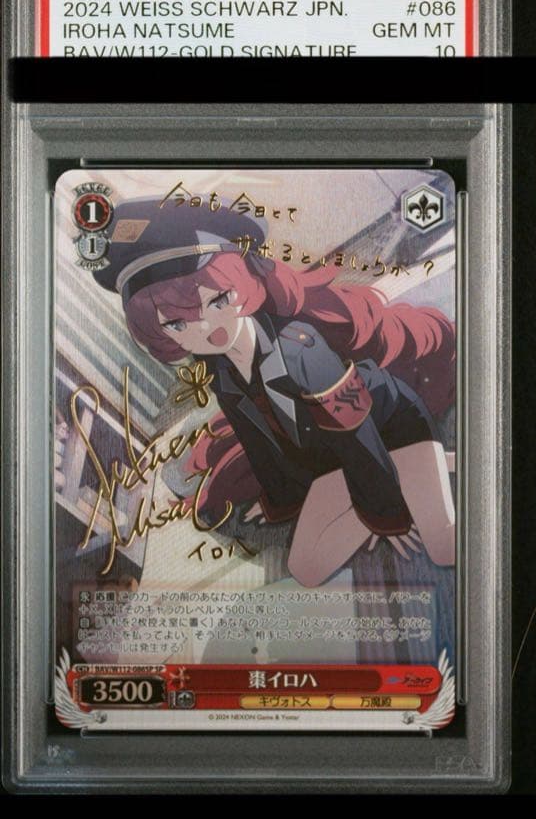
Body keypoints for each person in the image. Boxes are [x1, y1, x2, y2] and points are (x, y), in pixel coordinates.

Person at [93, 196, 456, 586]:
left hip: (390, 430)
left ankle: (425, 465)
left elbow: (357, 434)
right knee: (307, 570)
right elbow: (257, 441)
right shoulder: (221, 370)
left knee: (443, 546)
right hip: (332, 459)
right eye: (178, 325)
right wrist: (280, 500)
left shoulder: (301, 349)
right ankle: (425, 470)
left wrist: (387, 515)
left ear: (245, 283)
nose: (208, 328)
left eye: (219, 300)